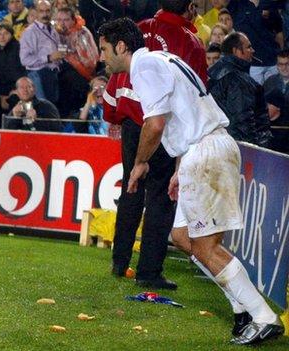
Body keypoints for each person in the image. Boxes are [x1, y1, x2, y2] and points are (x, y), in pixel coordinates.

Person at [98, 17, 285, 345]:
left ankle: (263, 315)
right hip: (201, 149)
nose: (101, 57)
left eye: (103, 50)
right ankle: (241, 310)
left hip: (206, 150)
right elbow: (184, 113)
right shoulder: (163, 59)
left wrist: (140, 163)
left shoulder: (142, 67)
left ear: (121, 46)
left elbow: (155, 124)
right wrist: (179, 168)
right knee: (183, 236)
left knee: (205, 246)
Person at [103, 0, 207, 291]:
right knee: (161, 196)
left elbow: (117, 76)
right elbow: (197, 87)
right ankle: (148, 271)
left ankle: (120, 261)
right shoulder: (191, 42)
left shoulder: (140, 29)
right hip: (162, 125)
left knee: (131, 189)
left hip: (131, 123)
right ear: (190, 8)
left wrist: (113, 113)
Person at [208, 32, 272, 148]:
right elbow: (242, 121)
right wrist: (251, 151)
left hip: (215, 144)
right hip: (237, 149)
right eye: (248, 47)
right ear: (236, 51)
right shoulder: (238, 80)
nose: (252, 50)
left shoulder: (212, 72)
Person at [20, 0, 63, 105]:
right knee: (43, 109)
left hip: (53, 74)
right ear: (36, 12)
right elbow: (24, 60)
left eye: (47, 11)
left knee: (53, 108)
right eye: (41, 11)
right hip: (38, 75)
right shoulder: (29, 32)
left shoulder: (54, 30)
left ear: (52, 11)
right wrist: (48, 58)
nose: (45, 14)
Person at [263, 49, 289, 153]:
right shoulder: (270, 81)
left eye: (287, 64)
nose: (284, 68)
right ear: (277, 65)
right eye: (281, 64)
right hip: (273, 133)